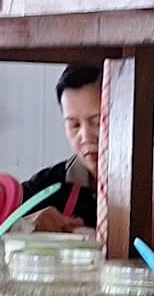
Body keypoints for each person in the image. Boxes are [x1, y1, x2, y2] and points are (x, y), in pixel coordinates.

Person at [21, 63, 102, 233]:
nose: (86, 137)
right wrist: (26, 225)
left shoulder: (152, 187)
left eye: (97, 122)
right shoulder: (49, 186)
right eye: (74, 125)